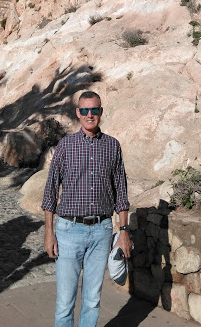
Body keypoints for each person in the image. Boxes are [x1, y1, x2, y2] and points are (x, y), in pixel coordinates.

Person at [42, 91, 131, 327]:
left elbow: (121, 190)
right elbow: (50, 190)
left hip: (101, 230)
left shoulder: (113, 146)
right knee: (64, 303)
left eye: (94, 110)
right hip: (69, 231)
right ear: (78, 113)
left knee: (92, 301)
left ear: (101, 112)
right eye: (84, 110)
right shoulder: (65, 146)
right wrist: (48, 232)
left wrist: (123, 231)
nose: (89, 115)